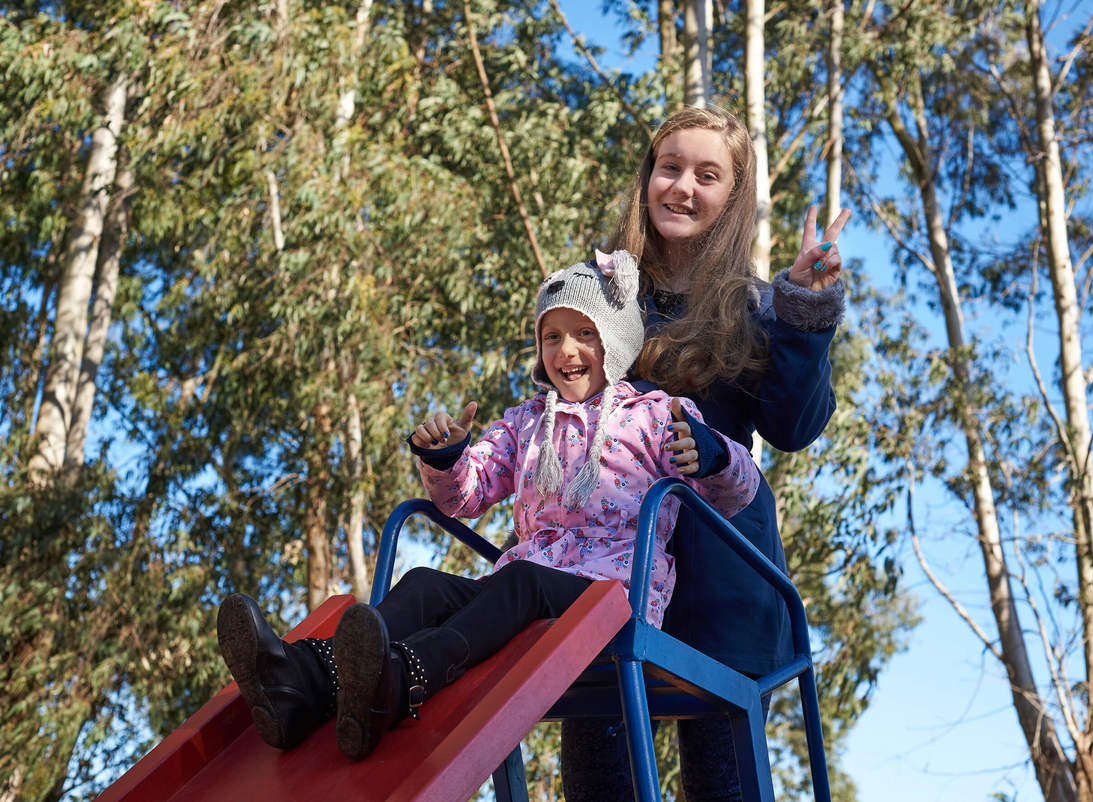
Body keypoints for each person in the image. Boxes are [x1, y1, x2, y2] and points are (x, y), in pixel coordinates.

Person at [215, 250, 760, 762]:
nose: (566, 351)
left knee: (521, 580)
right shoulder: (526, 422)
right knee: (427, 585)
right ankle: (303, 681)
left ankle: (404, 676)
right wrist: (447, 458)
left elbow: (738, 492)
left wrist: (712, 455)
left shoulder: (656, 415)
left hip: (613, 598)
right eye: (551, 336)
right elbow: (466, 496)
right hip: (524, 588)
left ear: (615, 342)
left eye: (584, 334)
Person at [559, 105, 851, 800]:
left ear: (734, 196)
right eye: (670, 168)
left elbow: (793, 427)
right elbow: (555, 414)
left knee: (721, 780)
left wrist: (805, 313)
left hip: (720, 578)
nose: (683, 187)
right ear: (648, 179)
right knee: (599, 777)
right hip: (607, 573)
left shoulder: (755, 306)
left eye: (707, 175)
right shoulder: (600, 295)